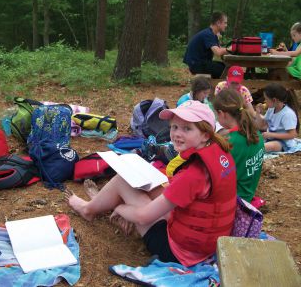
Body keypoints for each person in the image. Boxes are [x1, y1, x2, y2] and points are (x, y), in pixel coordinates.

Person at [65, 101, 237, 267]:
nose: (177, 133)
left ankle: (89, 210)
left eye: (187, 128)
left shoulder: (193, 175)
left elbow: (143, 217)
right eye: (175, 127)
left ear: (205, 134)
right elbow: (187, 195)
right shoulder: (219, 153)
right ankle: (104, 202)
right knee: (145, 184)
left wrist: (120, 210)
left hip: (178, 252)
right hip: (207, 243)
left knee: (122, 181)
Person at [213, 89, 264, 202]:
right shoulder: (256, 133)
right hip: (248, 193)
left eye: (217, 115)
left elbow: (219, 177)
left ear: (222, 113)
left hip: (234, 199)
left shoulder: (230, 143)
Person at [255, 83, 300, 153]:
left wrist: (270, 134)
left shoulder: (287, 114)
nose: (264, 101)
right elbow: (261, 126)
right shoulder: (271, 109)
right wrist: (258, 113)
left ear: (274, 100)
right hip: (270, 138)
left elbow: (292, 134)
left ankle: (252, 151)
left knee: (268, 146)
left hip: (283, 143)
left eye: (266, 99)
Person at [183, 11, 229, 79]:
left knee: (225, 67)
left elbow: (220, 49)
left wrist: (231, 50)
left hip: (200, 63)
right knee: (226, 70)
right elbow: (218, 52)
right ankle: (218, 87)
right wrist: (233, 48)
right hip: (196, 65)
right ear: (218, 23)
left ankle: (216, 86)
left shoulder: (212, 34)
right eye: (225, 23)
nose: (226, 25)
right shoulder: (208, 34)